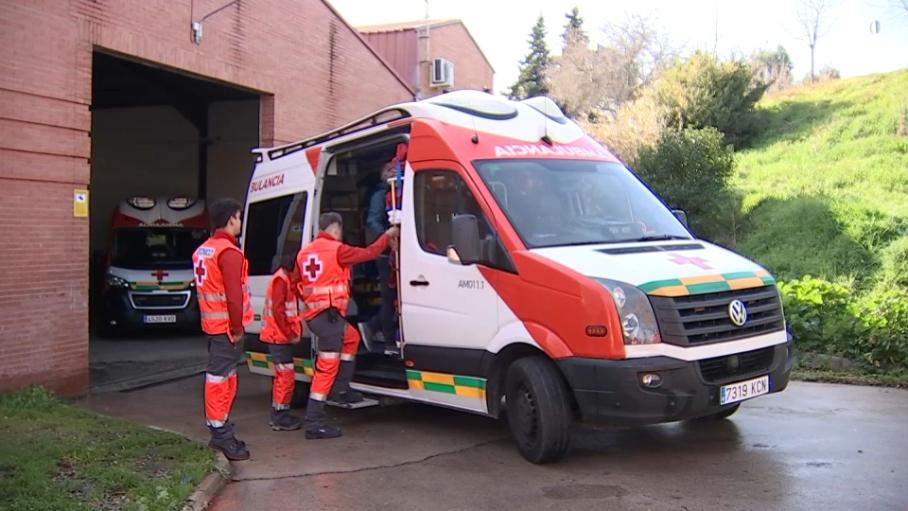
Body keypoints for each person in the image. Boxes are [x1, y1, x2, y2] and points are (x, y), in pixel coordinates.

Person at [296, 212, 399, 439]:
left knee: (351, 337)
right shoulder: (337, 250)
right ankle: (314, 422)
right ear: (335, 229)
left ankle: (341, 389)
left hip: (320, 317)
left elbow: (297, 282)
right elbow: (370, 253)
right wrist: (388, 234)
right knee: (326, 369)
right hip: (328, 318)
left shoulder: (305, 252)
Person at [191, 198, 254, 460]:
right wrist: (237, 327)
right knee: (220, 378)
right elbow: (233, 296)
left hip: (213, 325)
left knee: (225, 377)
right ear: (230, 219)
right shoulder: (229, 253)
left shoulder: (204, 249)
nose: (240, 222)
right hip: (226, 328)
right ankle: (220, 434)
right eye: (239, 217)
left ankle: (222, 430)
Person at [259, 254, 303, 431]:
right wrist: (290, 333)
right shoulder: (281, 280)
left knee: (283, 375)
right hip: (278, 336)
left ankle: (279, 413)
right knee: (285, 376)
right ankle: (280, 416)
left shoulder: (283, 279)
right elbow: (279, 312)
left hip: (278, 335)